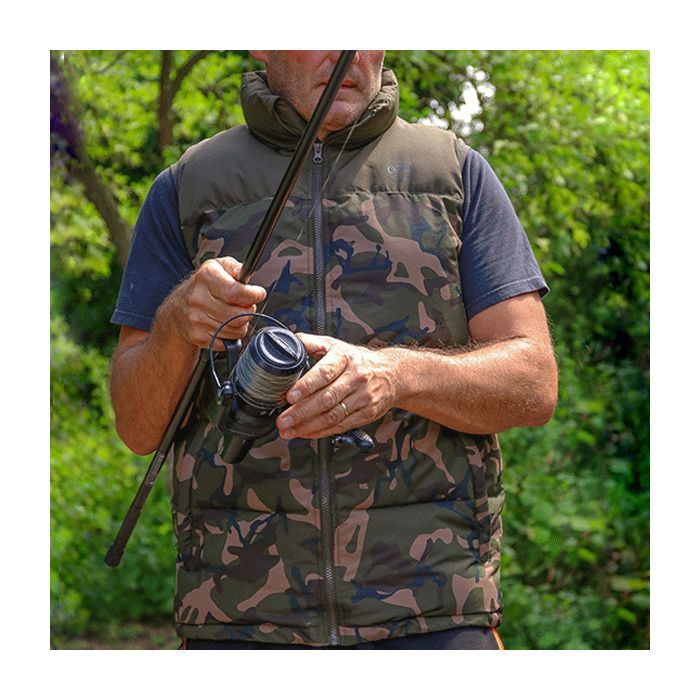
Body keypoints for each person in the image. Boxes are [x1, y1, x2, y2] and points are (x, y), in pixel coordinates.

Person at [110, 50, 558, 650]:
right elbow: (138, 426)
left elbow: (533, 382)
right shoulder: (188, 187)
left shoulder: (453, 174)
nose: (346, 48)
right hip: (238, 621)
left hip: (434, 616)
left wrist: (399, 375)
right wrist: (176, 324)